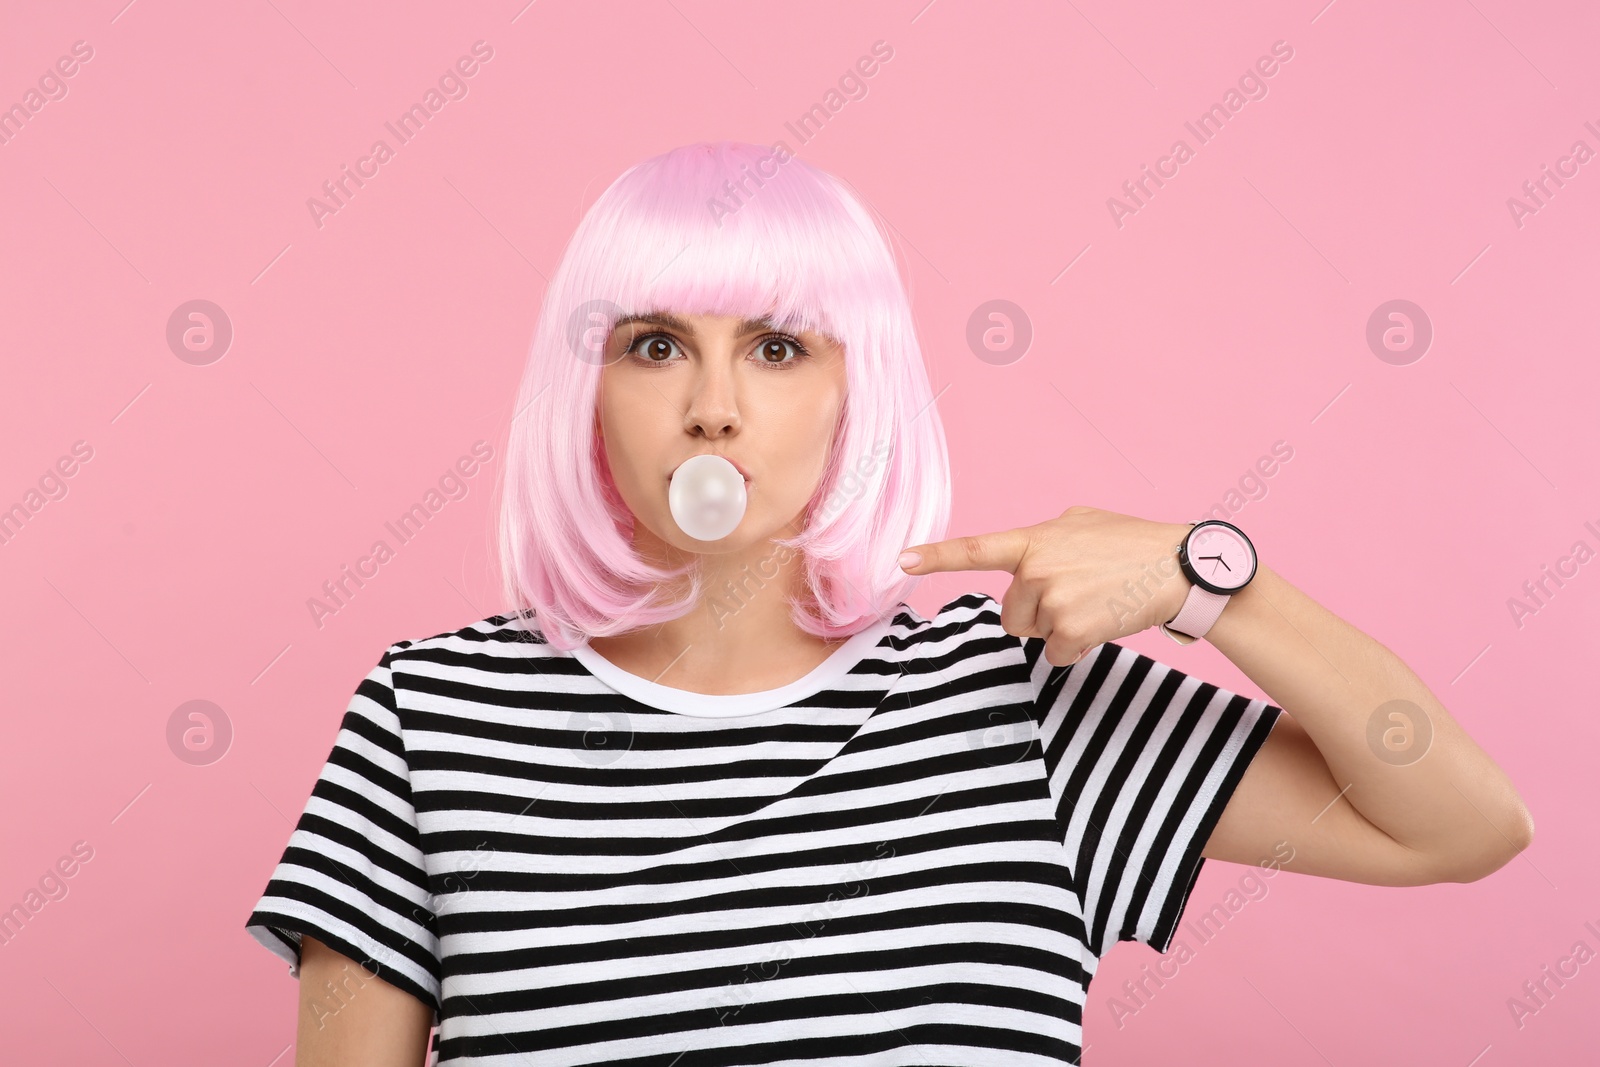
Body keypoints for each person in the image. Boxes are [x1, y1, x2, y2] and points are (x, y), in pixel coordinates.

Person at [246, 141, 1534, 1066]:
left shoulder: (1017, 697)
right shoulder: (434, 715)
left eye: (778, 344)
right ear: (584, 392)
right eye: (654, 346)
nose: (713, 405)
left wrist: (1217, 578)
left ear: (855, 392)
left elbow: (1459, 825)